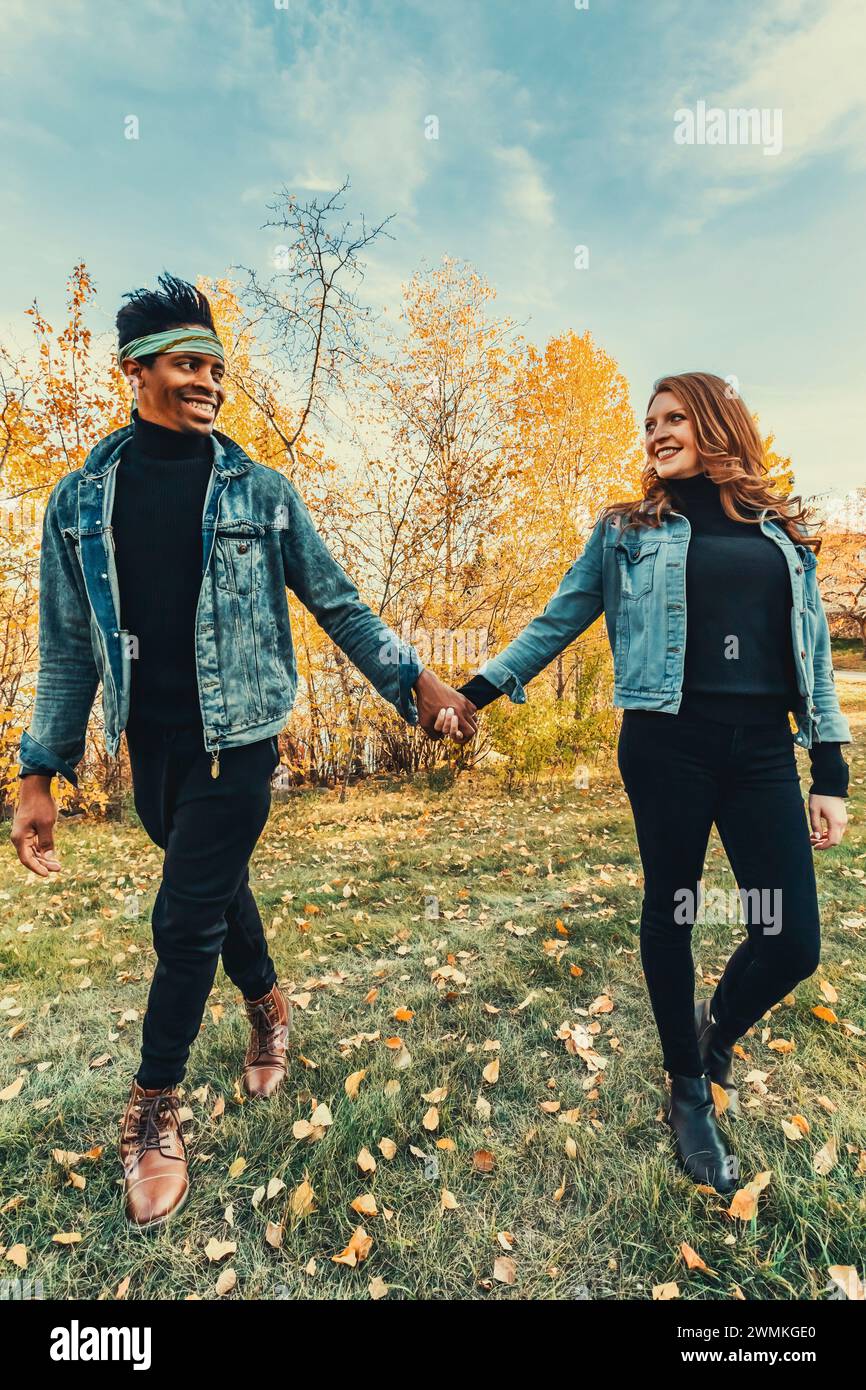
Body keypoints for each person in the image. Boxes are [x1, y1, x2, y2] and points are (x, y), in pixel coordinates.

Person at [10, 272, 477, 1229]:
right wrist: (36, 774)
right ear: (137, 370)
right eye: (189, 365)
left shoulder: (260, 493)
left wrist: (413, 680)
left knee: (182, 922)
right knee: (216, 893)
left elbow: (337, 600)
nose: (210, 382)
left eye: (216, 367)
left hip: (241, 743)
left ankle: (153, 1110)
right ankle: (268, 1004)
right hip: (151, 749)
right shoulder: (78, 506)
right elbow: (66, 650)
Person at [436, 371, 851, 1195]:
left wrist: (829, 767)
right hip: (668, 745)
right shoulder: (626, 530)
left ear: (718, 422)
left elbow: (817, 659)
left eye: (674, 418)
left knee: (791, 939)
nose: (657, 432)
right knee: (674, 909)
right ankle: (688, 1091)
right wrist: (472, 693)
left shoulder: (781, 532)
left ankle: (714, 1032)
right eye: (649, 422)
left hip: (764, 747)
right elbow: (559, 619)